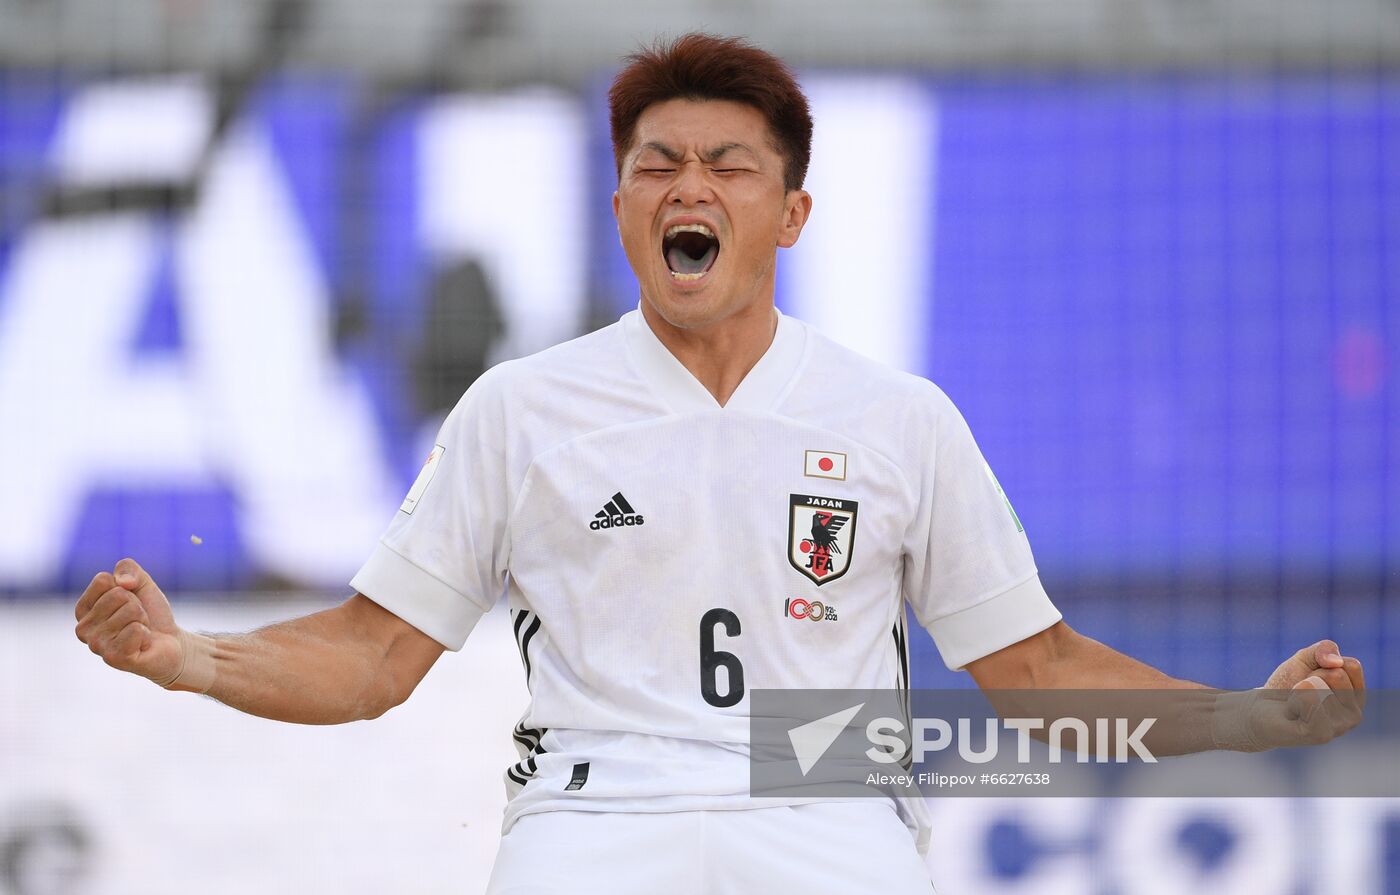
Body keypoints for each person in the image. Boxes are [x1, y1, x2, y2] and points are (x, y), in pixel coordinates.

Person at [73, 33, 1364, 894]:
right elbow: (371, 657)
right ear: (627, 207)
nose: (688, 184)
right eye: (656, 166)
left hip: (828, 810)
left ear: (788, 213)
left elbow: (1038, 679)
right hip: (593, 817)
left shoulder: (895, 416)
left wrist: (1247, 719)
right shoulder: (523, 408)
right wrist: (187, 658)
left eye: (727, 165)